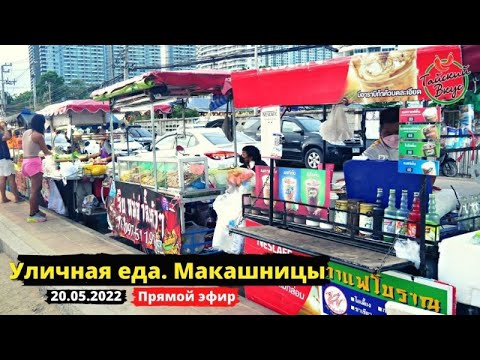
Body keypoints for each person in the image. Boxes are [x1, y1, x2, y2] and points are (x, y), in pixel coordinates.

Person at [22, 114, 52, 222]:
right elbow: (46, 152)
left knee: (36, 189)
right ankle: (32, 215)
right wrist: (54, 154)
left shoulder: (26, 133)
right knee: (35, 190)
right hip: (34, 163)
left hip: (25, 162)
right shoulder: (39, 136)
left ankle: (36, 210)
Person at [0, 120, 20, 203]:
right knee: (11, 178)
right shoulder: (0, 134)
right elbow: (8, 137)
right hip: (5, 158)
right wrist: (4, 126)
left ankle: (4, 198)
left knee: (2, 179)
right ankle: (17, 198)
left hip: (1, 159)